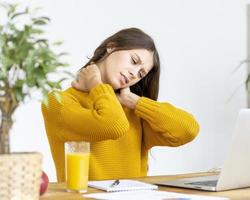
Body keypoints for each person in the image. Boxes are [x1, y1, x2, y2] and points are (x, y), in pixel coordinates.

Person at [41, 27, 200, 182]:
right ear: (111, 47)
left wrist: (133, 100)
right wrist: (96, 84)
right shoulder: (58, 102)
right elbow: (113, 125)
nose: (133, 73)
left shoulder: (133, 110)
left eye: (140, 73)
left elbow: (188, 129)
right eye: (134, 61)